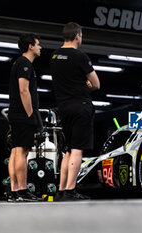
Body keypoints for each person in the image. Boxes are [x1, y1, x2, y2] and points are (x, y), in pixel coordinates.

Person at [51, 22, 100, 201]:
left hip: (64, 107)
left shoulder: (54, 56)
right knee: (77, 150)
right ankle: (70, 190)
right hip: (80, 106)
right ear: (77, 35)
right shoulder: (80, 56)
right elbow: (96, 84)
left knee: (68, 150)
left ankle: (61, 190)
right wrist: (85, 84)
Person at [7, 34, 43, 202]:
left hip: (16, 113)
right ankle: (22, 190)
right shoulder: (24, 64)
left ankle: (14, 191)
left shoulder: (19, 63)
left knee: (16, 151)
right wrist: (30, 115)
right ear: (30, 46)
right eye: (38, 44)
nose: (40, 47)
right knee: (22, 151)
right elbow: (24, 90)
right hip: (23, 114)